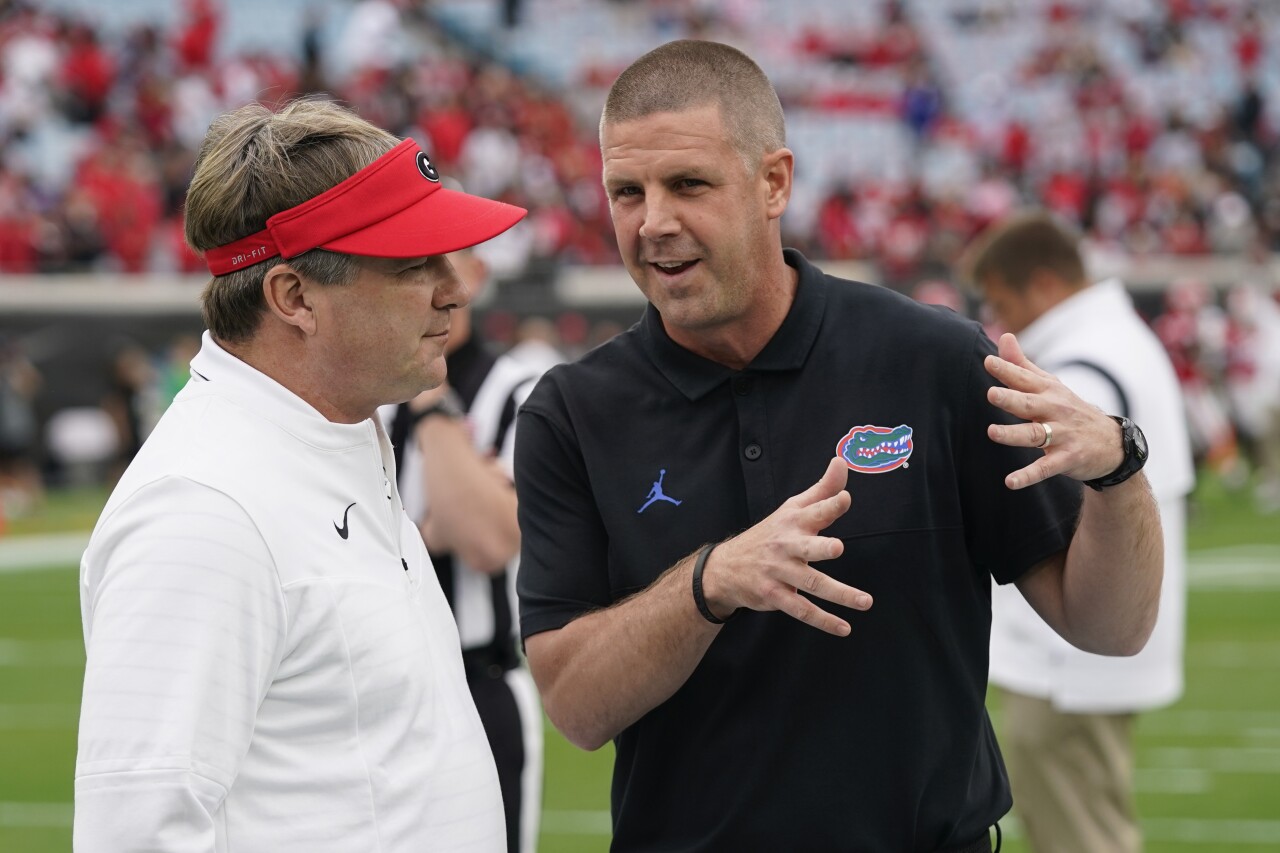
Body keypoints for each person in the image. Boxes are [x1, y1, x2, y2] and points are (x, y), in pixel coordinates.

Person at [512, 40, 1163, 852]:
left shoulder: (935, 360)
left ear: (774, 181)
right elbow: (575, 706)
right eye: (625, 191)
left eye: (688, 184)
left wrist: (1118, 467)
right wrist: (713, 582)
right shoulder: (569, 413)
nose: (654, 223)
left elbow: (1112, 625)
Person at [74, 98, 526, 852]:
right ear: (293, 297)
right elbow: (137, 833)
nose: (456, 286)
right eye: (415, 262)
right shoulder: (204, 508)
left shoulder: (337, 434)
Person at [964, 211, 1194, 853]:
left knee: (1079, 833)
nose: (1000, 319)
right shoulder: (1121, 337)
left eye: (1004, 301)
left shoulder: (1082, 362)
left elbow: (1048, 493)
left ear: (1041, 284)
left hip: (1069, 653)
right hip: (1104, 637)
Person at [384, 245, 552, 853]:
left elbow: (485, 539)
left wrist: (430, 405)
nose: (429, 284)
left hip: (475, 684)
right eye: (408, 264)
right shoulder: (363, 392)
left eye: (445, 263)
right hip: (374, 689)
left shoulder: (519, 386)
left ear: (477, 276)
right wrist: (436, 521)